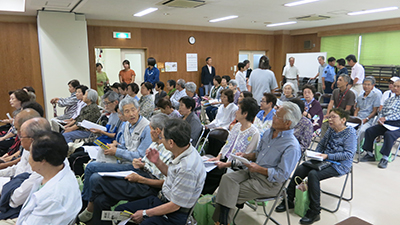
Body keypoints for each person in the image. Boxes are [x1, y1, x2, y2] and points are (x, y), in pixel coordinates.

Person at [212, 102, 302, 225]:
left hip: (269, 183)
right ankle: (221, 221)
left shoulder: (291, 146)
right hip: (253, 172)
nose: (273, 117)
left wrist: (259, 169)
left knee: (229, 192)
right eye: (274, 114)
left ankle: (221, 222)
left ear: (288, 123)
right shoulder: (268, 133)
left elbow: (281, 175)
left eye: (277, 116)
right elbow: (258, 153)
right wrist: (246, 156)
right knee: (226, 179)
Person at [78, 114, 173, 224]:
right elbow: (146, 163)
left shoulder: (169, 150)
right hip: (139, 173)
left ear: (157, 131)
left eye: (150, 128)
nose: (148, 130)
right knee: (101, 200)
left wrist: (140, 179)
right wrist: (141, 163)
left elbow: (165, 182)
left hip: (147, 184)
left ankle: (89, 207)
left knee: (96, 179)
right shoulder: (154, 144)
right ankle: (92, 211)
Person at [115, 119, 206, 225]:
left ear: (171, 142)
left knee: (139, 220)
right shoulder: (183, 150)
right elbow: (173, 175)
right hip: (161, 200)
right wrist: (157, 162)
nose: (161, 141)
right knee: (120, 211)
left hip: (173, 214)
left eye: (162, 138)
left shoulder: (188, 168)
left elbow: (175, 205)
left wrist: (145, 213)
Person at [276, 108, 356, 225]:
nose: (330, 119)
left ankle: (315, 211)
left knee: (313, 175)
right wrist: (316, 155)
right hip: (323, 159)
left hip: (340, 164)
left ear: (343, 120)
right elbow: (322, 143)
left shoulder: (350, 133)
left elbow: (348, 154)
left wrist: (327, 155)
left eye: (334, 117)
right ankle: (289, 199)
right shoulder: (331, 129)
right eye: (329, 117)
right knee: (301, 168)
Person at [81, 97, 152, 203]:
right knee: (92, 166)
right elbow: (124, 146)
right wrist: (114, 148)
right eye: (127, 111)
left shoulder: (146, 127)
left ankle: (85, 201)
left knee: (92, 168)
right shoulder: (126, 125)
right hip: (122, 161)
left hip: (135, 166)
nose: (131, 114)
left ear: (138, 110)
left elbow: (140, 156)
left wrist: (117, 151)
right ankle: (89, 201)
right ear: (123, 114)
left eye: (133, 110)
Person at [15, 131, 81, 225]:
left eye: (30, 153)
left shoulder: (52, 198)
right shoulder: (59, 167)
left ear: (43, 160)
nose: (28, 158)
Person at [204, 97, 260, 194]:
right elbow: (227, 145)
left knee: (212, 174)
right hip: (225, 160)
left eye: (238, 109)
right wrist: (218, 157)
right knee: (204, 169)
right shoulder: (236, 126)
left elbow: (245, 159)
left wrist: (226, 164)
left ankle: (203, 198)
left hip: (237, 167)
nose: (236, 112)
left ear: (245, 114)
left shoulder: (254, 133)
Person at [360, 79, 400, 169]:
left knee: (389, 135)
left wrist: (386, 118)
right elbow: (382, 111)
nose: (396, 88)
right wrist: (381, 119)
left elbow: (398, 114)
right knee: (370, 130)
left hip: (397, 125)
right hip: (386, 123)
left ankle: (385, 157)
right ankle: (369, 153)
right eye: (395, 86)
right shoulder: (390, 99)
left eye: (398, 86)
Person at [354, 77, 380, 142]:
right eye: (364, 84)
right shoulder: (360, 97)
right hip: (359, 117)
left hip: (369, 119)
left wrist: (366, 119)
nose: (366, 86)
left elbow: (374, 111)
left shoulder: (376, 96)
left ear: (372, 86)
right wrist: (355, 118)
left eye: (368, 85)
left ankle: (356, 148)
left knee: (362, 130)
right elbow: (357, 109)